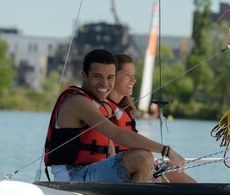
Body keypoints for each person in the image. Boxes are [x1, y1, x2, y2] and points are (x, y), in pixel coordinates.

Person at [44, 49, 185, 183]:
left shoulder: (101, 105)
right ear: (84, 75)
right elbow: (118, 134)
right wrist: (166, 151)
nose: (104, 83)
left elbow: (111, 152)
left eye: (110, 77)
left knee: (159, 171)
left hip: (94, 170)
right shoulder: (78, 102)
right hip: (73, 175)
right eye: (97, 76)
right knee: (143, 158)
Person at [108, 53, 196, 183]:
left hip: (135, 169)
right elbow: (111, 160)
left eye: (134, 76)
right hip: (118, 176)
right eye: (127, 75)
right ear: (112, 77)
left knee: (173, 170)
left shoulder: (125, 110)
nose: (133, 80)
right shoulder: (103, 110)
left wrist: (152, 166)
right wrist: (165, 152)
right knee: (154, 166)